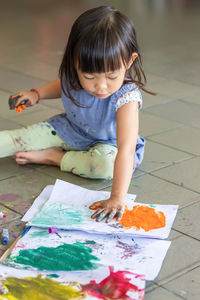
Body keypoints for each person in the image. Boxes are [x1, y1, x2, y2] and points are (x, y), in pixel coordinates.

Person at [0, 6, 152, 222]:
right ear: (75, 61)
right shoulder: (75, 73)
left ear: (129, 60)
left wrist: (118, 197)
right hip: (68, 130)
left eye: (111, 76)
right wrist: (36, 94)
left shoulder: (127, 97)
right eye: (89, 76)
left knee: (105, 167)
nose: (100, 86)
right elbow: (63, 84)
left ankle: (54, 157)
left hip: (108, 145)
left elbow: (126, 149)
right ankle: (52, 151)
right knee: (17, 138)